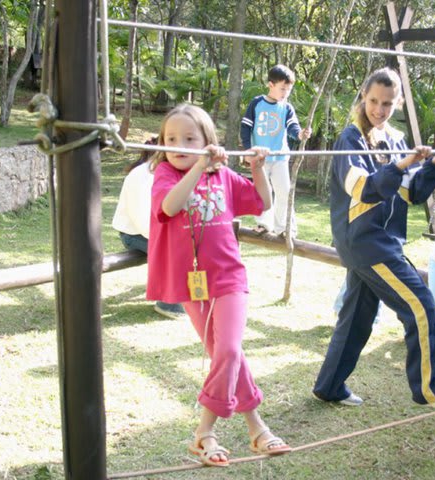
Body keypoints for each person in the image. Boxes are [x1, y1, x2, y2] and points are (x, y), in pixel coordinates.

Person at [312, 67, 435, 410]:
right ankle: (431, 389)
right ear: (363, 98)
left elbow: (410, 192)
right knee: (422, 306)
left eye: (386, 103)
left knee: (356, 318)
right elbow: (363, 190)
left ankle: (329, 386)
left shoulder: (395, 139)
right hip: (364, 241)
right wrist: (401, 165)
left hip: (384, 240)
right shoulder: (349, 139)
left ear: (396, 104)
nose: (378, 109)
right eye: (373, 101)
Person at [147, 104, 290, 467]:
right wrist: (197, 165)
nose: (179, 145)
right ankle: (257, 429)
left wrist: (258, 168)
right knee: (226, 354)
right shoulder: (165, 174)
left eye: (190, 139)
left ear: (208, 141)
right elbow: (169, 205)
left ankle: (204, 432)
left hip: (229, 278)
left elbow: (263, 202)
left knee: (226, 350)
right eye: (171, 139)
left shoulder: (223, 175)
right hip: (193, 284)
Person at [111, 137, 185, 319]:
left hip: (155, 232)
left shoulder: (164, 173)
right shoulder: (142, 175)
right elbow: (143, 220)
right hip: (134, 234)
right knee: (174, 252)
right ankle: (169, 304)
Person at [240, 64, 312, 236]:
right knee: (262, 193)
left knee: (284, 193)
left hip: (280, 158)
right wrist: (248, 150)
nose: (285, 93)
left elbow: (293, 127)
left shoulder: (287, 107)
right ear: (270, 85)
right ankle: (264, 224)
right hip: (260, 159)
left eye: (288, 90)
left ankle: (285, 228)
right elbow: (245, 127)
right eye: (282, 89)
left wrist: (301, 134)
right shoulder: (256, 103)